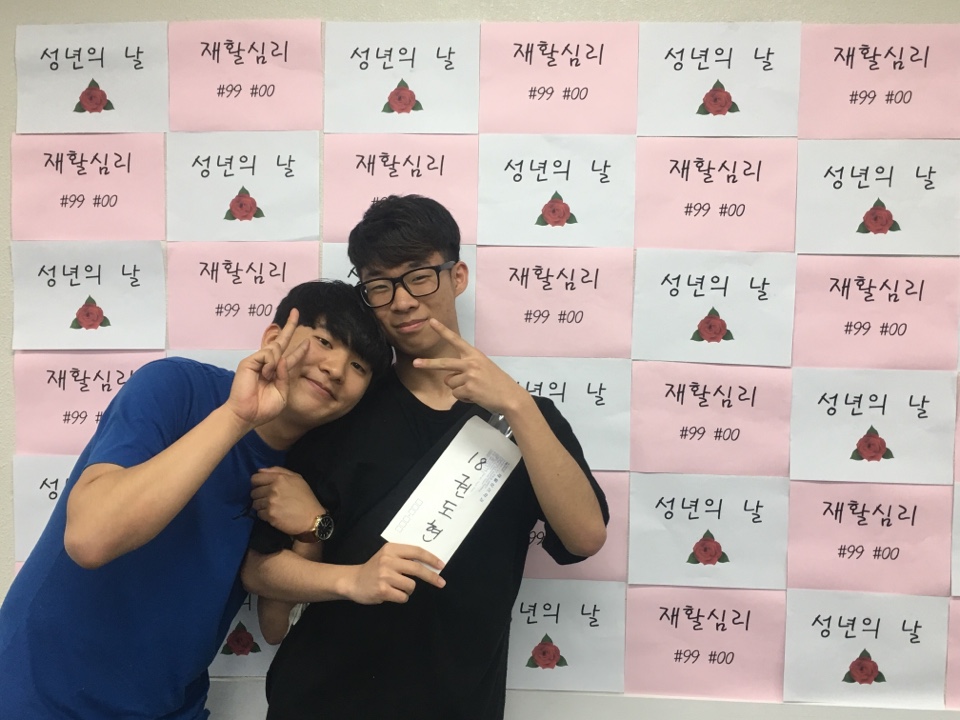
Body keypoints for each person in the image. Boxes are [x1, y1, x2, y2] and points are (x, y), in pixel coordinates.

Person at [243, 195, 609, 719]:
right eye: (380, 285)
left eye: (419, 276)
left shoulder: (527, 418)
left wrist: (515, 404)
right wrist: (324, 538)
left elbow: (585, 537)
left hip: (459, 704)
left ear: (457, 276)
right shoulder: (340, 407)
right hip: (321, 699)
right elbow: (262, 577)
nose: (402, 301)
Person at [0, 280, 395, 720]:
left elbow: (273, 622)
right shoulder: (176, 388)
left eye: (359, 366)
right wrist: (237, 417)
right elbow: (90, 539)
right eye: (324, 341)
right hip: (39, 696)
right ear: (274, 337)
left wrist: (314, 526)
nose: (336, 368)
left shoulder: (311, 468)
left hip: (168, 707)